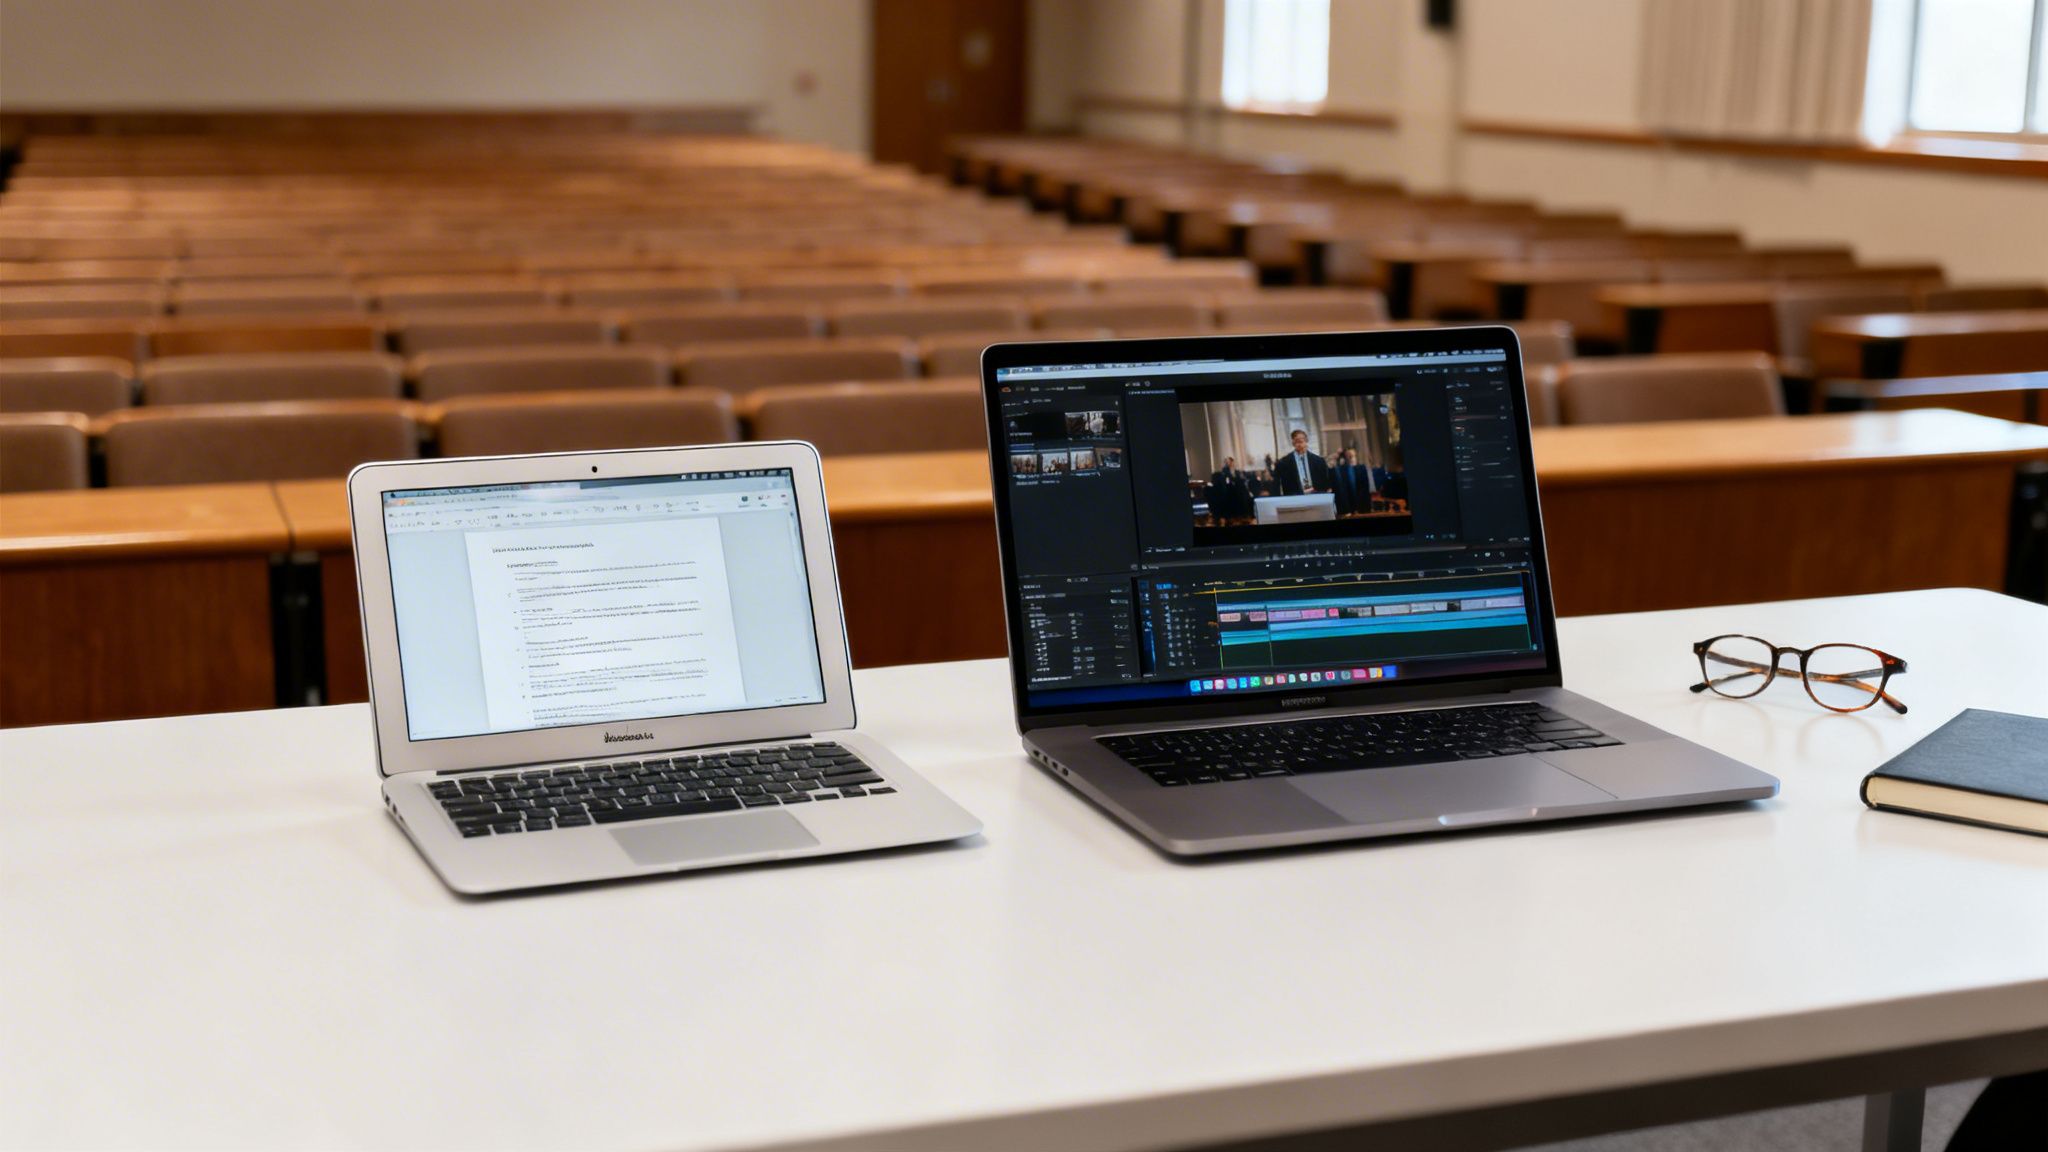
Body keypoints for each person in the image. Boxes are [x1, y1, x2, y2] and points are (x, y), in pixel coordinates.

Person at [1276, 429, 1332, 496]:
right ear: (1293, 443)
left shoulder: (1319, 461)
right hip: (1295, 497)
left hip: (1317, 495)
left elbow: (1326, 481)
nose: (1300, 443)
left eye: (1302, 440)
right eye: (1297, 440)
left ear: (1306, 441)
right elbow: (1278, 483)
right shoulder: (1283, 463)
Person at [1208, 456, 1251, 522]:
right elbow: (1226, 480)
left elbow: (1240, 478)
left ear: (1232, 462)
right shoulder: (1224, 470)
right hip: (1229, 488)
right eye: (1226, 462)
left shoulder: (1237, 470)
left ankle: (1244, 514)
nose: (1228, 463)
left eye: (1229, 461)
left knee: (1243, 492)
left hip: (1238, 487)